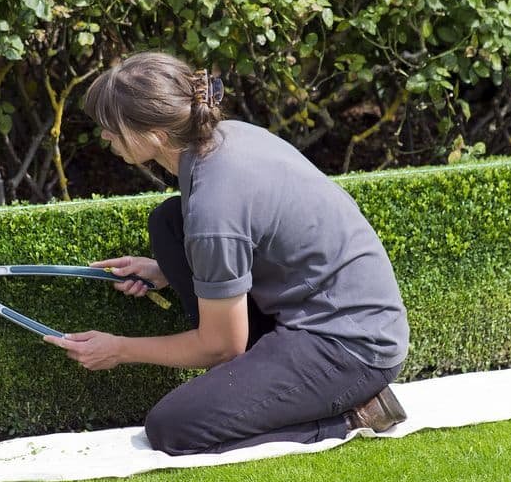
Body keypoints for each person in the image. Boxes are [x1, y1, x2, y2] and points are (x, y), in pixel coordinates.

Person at [43, 51, 409, 455]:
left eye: (111, 128)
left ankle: (353, 415)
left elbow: (221, 347)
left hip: (349, 346)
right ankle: (261, 387)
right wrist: (163, 270)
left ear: (155, 135)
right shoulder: (224, 138)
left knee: (172, 428)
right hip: (329, 311)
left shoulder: (214, 206)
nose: (105, 138)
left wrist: (120, 348)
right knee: (168, 223)